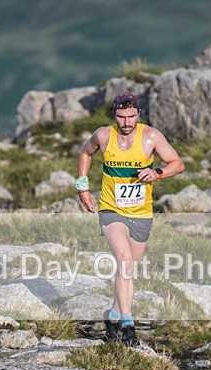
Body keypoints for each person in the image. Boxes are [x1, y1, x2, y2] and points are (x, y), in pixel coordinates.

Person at [77, 92, 185, 346]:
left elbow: (177, 164)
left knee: (128, 271)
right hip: (111, 209)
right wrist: (82, 187)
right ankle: (128, 324)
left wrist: (157, 172)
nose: (126, 122)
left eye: (131, 117)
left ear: (138, 114)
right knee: (124, 260)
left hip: (141, 212)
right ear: (114, 116)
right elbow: (85, 152)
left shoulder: (151, 136)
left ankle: (113, 315)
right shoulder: (104, 135)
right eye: (121, 117)